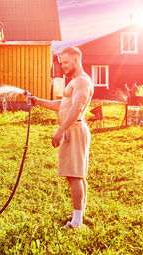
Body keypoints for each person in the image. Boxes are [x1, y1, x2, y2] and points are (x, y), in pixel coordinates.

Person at [29, 47, 93, 229]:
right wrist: (39, 101)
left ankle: (77, 222)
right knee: (76, 175)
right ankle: (78, 215)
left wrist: (61, 129)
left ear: (76, 59)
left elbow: (77, 107)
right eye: (61, 62)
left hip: (74, 129)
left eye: (65, 62)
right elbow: (64, 104)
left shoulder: (82, 81)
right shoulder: (75, 81)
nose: (62, 66)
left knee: (74, 176)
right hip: (73, 129)